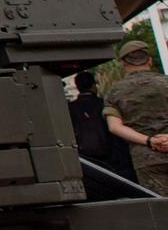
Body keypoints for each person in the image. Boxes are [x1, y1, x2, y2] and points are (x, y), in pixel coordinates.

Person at [103, 38, 168, 198]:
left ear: (123, 63)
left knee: (162, 209)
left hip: (146, 158)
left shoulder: (115, 92)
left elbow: (115, 127)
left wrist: (150, 141)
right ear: (150, 61)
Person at [69, 70, 137, 183]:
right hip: (114, 157)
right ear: (94, 85)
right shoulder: (104, 104)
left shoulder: (69, 108)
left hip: (87, 159)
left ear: (77, 87)